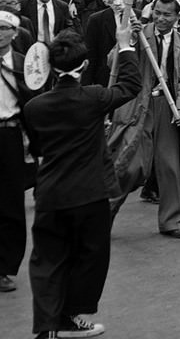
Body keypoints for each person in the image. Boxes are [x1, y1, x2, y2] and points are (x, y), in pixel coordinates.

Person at [23, 26, 141, 339]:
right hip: (91, 195)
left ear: (50, 65)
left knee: (48, 261)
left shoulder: (34, 108)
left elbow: (37, 149)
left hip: (50, 195)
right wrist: (125, 46)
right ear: (85, 65)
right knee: (90, 259)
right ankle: (70, 315)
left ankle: (50, 327)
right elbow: (131, 85)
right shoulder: (95, 97)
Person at [108, 0, 180, 239]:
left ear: (178, 17)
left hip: (168, 108)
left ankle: (171, 220)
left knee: (170, 165)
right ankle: (104, 213)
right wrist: (130, 42)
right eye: (157, 12)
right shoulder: (139, 34)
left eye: (167, 14)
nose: (160, 18)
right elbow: (112, 63)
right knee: (129, 166)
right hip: (139, 106)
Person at [0, 9, 32, 295]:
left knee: (11, 202)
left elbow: (34, 103)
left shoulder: (23, 65)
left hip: (11, 135)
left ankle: (7, 267)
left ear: (14, 32)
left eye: (2, 28)